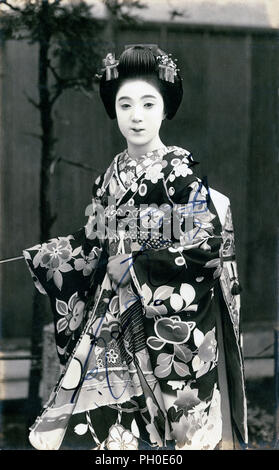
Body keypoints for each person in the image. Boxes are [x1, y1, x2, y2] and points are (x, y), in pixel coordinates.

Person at [22, 44, 248, 450]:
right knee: (106, 430)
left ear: (165, 109)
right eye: (125, 105)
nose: (137, 115)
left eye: (148, 103)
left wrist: (140, 264)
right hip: (113, 319)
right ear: (115, 111)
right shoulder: (112, 174)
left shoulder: (180, 171)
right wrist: (53, 256)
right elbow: (95, 239)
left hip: (166, 321)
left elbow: (209, 245)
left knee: (173, 431)